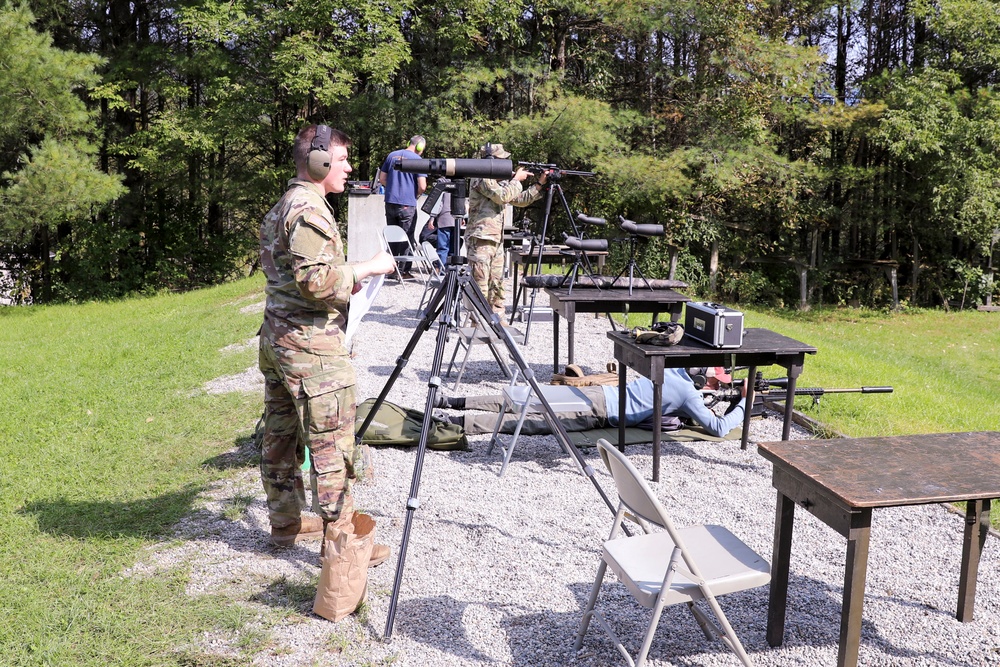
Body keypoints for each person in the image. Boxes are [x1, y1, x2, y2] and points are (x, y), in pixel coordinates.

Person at [258, 124, 396, 561]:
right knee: (331, 442)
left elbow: (295, 275)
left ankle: (285, 524)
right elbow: (315, 282)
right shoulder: (309, 209)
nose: (349, 168)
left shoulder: (290, 203)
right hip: (309, 346)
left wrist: (343, 281)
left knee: (281, 434)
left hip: (280, 338)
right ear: (318, 163)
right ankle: (343, 545)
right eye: (341, 160)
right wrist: (366, 269)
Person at [436, 367, 747, 438]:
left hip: (599, 394)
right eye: (715, 382)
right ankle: (455, 423)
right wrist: (744, 404)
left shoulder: (670, 369)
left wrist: (712, 394)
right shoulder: (690, 393)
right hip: (600, 412)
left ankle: (453, 401)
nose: (714, 385)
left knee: (529, 399)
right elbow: (718, 428)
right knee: (531, 423)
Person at [467, 143, 547, 315]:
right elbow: (502, 196)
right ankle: (478, 323)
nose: (505, 163)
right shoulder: (481, 176)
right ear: (491, 160)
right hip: (481, 238)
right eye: (502, 160)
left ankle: (497, 319)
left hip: (496, 239)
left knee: (497, 284)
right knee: (480, 285)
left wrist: (539, 185)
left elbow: (519, 199)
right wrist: (516, 180)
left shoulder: (499, 181)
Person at [380, 135, 427, 277]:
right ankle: (403, 271)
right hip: (407, 204)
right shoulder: (418, 160)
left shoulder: (392, 156)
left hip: (390, 202)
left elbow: (382, 179)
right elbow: (423, 186)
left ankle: (391, 269)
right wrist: (414, 195)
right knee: (407, 237)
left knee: (393, 236)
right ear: (420, 147)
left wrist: (393, 188)